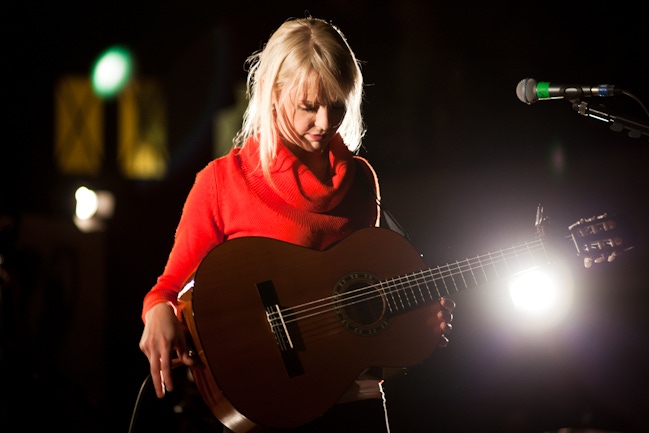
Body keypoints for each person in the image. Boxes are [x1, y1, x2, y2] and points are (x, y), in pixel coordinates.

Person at [139, 16, 455, 433]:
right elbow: (169, 289)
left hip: (356, 404)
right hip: (270, 411)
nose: (325, 123)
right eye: (309, 107)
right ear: (273, 94)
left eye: (337, 106)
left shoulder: (361, 180)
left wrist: (416, 321)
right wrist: (158, 311)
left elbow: (359, 301)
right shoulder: (221, 182)